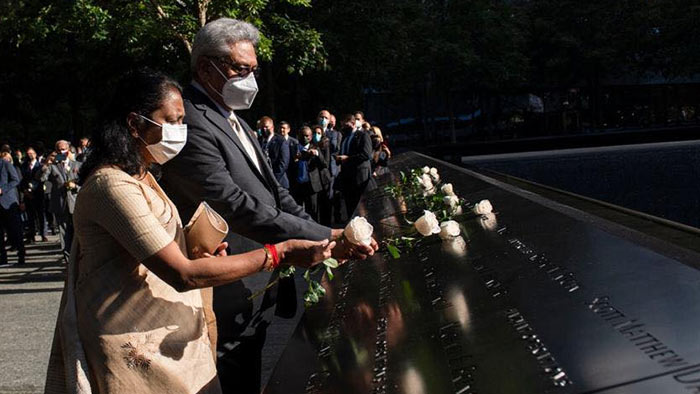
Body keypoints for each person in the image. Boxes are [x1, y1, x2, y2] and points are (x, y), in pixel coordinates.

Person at [45, 69, 336, 394]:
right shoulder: (111, 185)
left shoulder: (144, 178)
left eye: (183, 121)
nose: (180, 132)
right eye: (171, 121)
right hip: (134, 349)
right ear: (134, 124)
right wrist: (276, 254)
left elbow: (161, 254)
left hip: (169, 344)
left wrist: (196, 250)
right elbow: (182, 274)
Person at [158, 18, 377, 392]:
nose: (250, 80)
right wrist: (328, 233)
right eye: (240, 69)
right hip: (225, 286)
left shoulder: (235, 120)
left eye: (253, 70)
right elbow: (233, 203)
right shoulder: (190, 120)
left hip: (257, 287)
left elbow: (277, 193)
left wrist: (322, 237)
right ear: (205, 67)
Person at [40, 140, 81, 260]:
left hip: (75, 203)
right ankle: (68, 259)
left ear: (68, 150)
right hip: (60, 204)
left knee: (78, 231)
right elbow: (42, 178)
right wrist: (47, 163)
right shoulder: (52, 166)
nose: (61, 152)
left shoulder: (77, 165)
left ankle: (80, 256)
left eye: (63, 149)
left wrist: (76, 186)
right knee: (63, 233)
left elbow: (86, 183)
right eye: (58, 150)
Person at [336, 113, 376, 217]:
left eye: (346, 124)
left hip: (359, 177)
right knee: (350, 206)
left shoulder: (363, 135)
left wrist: (348, 158)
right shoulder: (345, 137)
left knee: (360, 207)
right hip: (347, 177)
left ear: (353, 123)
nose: (344, 127)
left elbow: (366, 154)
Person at [288, 126, 330, 222]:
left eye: (307, 136)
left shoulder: (316, 148)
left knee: (312, 211)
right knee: (297, 211)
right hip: (297, 184)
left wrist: (317, 155)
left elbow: (324, 164)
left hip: (311, 185)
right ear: (298, 136)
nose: (304, 138)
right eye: (302, 136)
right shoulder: (293, 148)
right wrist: (295, 160)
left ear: (311, 137)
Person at [0, 152, 24, 266]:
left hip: (8, 202)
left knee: (15, 230)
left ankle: (21, 254)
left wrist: (3, 189)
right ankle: (2, 257)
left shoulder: (5, 164)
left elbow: (15, 180)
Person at [20, 147, 48, 243]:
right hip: (28, 193)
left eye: (31, 153)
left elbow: (43, 179)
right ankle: (31, 235)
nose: (30, 155)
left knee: (41, 214)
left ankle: (43, 234)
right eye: (28, 153)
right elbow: (22, 180)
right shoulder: (23, 166)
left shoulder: (41, 165)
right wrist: (25, 191)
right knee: (30, 216)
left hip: (38, 193)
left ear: (35, 154)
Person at [258, 116, 290, 188]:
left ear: (272, 127)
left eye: (266, 127)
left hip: (279, 182)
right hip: (263, 182)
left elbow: (284, 163)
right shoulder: (258, 141)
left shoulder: (281, 141)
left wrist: (273, 180)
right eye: (262, 127)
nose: (264, 129)